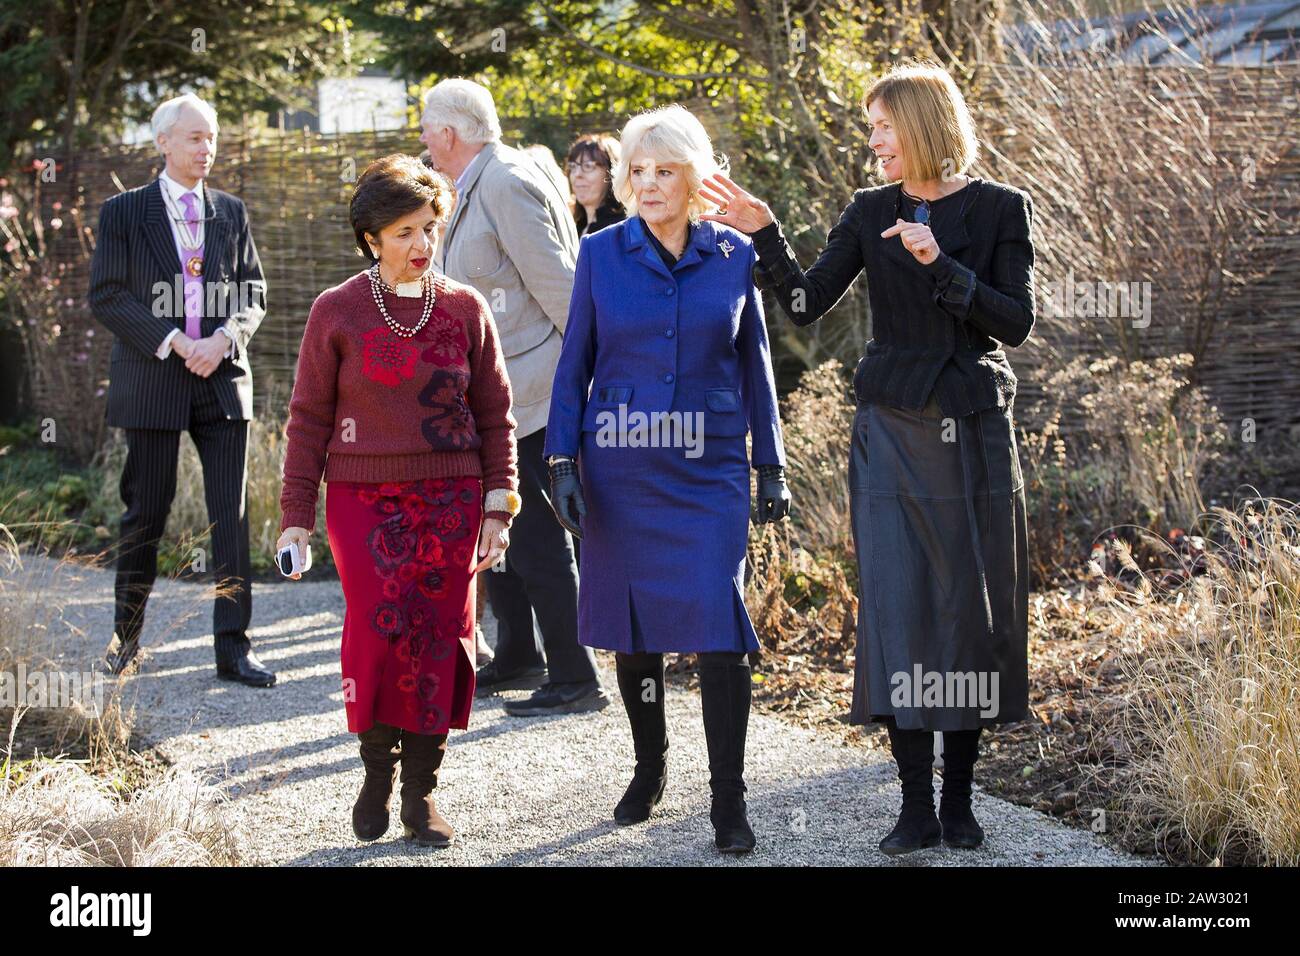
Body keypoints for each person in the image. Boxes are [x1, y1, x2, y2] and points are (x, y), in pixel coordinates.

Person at [700, 61, 1034, 855]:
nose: (873, 141)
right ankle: (915, 807)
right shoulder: (867, 210)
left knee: (967, 605)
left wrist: (941, 267)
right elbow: (809, 303)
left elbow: (1015, 322)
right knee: (901, 602)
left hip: (973, 428)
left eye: (882, 126)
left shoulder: (999, 209)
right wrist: (763, 232)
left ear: (920, 124)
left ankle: (959, 805)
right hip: (889, 428)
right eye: (871, 129)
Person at [545, 105, 791, 854]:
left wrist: (769, 464)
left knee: (719, 629)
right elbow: (574, 362)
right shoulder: (601, 253)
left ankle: (728, 801)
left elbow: (756, 362)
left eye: (664, 171)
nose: (647, 185)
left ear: (695, 177)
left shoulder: (733, 253)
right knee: (635, 634)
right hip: (620, 467)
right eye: (637, 172)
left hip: (710, 469)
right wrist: (560, 460)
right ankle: (649, 769)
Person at [276, 154, 520, 848]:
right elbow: (308, 421)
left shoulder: (466, 309)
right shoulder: (337, 310)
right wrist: (296, 517)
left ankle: (422, 796)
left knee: (441, 640)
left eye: (430, 229)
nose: (421, 246)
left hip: (452, 497)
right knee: (380, 634)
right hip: (361, 499)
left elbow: (496, 417)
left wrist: (499, 509)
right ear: (372, 238)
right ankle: (375, 775)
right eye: (405, 231)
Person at [421, 78, 607, 716]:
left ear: (449, 133)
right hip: (493, 393)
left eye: (427, 128)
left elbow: (561, 286)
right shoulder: (475, 184)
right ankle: (521, 654)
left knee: (533, 537)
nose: (422, 139)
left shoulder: (503, 182)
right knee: (497, 525)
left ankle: (576, 675)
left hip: (531, 390)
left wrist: (585, 379)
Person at [88, 92, 272, 685]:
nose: (206, 148)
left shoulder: (231, 211)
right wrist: (174, 340)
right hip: (153, 378)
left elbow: (253, 293)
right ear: (163, 141)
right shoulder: (122, 212)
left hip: (221, 379)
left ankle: (233, 648)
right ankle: (127, 641)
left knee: (231, 515)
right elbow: (108, 296)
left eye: (212, 137)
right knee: (145, 512)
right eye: (194, 137)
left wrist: (222, 339)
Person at [566, 133, 625, 237]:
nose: (577, 174)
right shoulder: (573, 226)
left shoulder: (620, 230)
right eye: (573, 166)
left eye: (588, 166)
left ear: (612, 172)